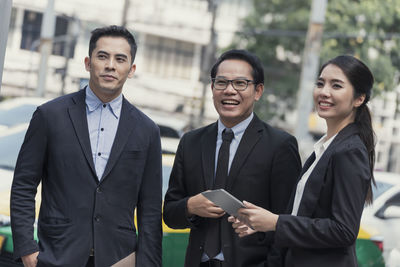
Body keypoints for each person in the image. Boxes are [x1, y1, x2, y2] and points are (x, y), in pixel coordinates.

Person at [10, 25, 162, 267]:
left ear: (131, 69)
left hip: (118, 258)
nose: (110, 65)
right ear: (88, 62)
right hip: (56, 255)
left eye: (120, 59)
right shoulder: (50, 115)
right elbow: (23, 185)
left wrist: (148, 263)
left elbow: (151, 209)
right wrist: (27, 249)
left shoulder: (147, 130)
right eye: (102, 56)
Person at [230, 55, 376, 267]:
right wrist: (266, 225)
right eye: (320, 83)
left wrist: (277, 222)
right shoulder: (325, 148)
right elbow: (305, 217)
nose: (324, 92)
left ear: (359, 98)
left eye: (336, 85)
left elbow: (344, 231)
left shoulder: (349, 151)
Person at [163, 49, 301, 267]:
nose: (229, 90)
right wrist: (190, 206)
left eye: (240, 83)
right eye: (221, 82)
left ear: (258, 91)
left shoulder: (280, 146)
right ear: (212, 88)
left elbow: (289, 222)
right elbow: (169, 213)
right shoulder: (191, 142)